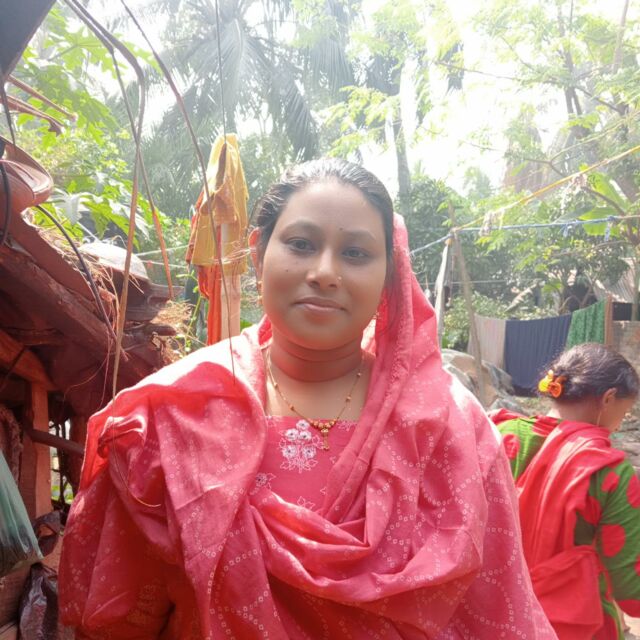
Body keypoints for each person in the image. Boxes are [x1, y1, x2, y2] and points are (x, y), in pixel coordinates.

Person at [59, 159, 555, 639]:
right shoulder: (172, 413)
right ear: (258, 253)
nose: (325, 272)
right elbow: (119, 613)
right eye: (301, 244)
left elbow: (497, 611)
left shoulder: (450, 428)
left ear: (390, 274)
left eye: (356, 253)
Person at [492, 343, 640, 640]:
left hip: (493, 615)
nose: (618, 425)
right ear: (608, 398)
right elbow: (631, 592)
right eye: (624, 413)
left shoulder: (498, 436)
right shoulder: (609, 473)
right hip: (574, 628)